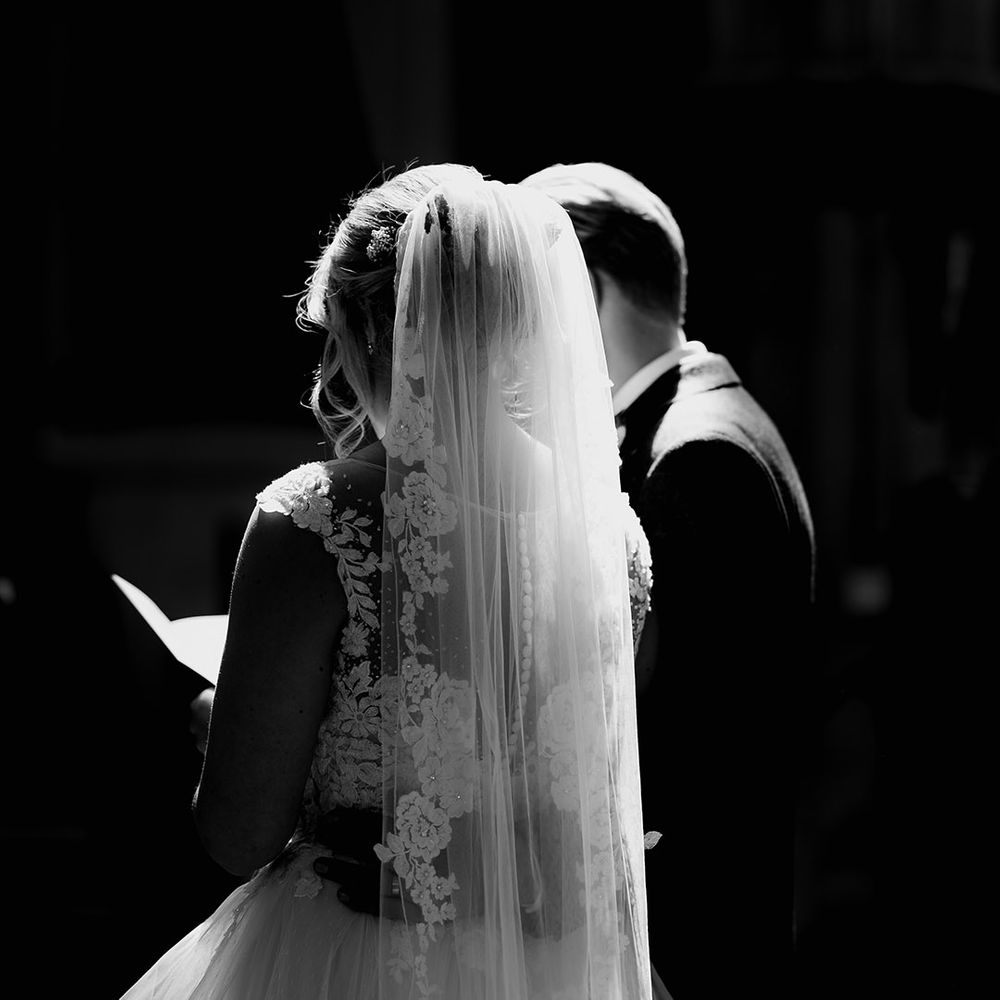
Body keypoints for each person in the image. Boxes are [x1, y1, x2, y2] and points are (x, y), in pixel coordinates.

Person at [122, 165, 658, 999]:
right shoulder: (609, 533)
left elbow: (239, 834)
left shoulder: (316, 521)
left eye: (332, 334)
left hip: (354, 955)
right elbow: (596, 814)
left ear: (369, 332)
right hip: (552, 967)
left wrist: (219, 723)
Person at [522, 163, 816, 997]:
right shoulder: (700, 421)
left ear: (582, 283)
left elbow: (679, 747)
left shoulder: (695, 458)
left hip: (686, 935)